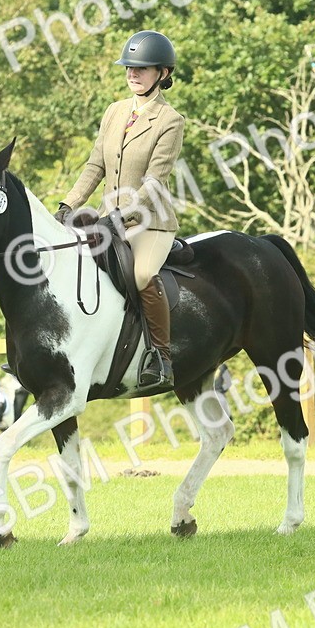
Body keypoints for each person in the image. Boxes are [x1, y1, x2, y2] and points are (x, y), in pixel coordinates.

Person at [57, 30, 186, 390]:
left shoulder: (169, 120)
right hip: (105, 219)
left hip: (149, 222)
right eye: (130, 67)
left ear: (162, 73)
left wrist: (121, 215)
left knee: (143, 275)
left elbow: (155, 182)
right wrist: (69, 203)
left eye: (142, 68)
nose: (133, 73)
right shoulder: (114, 112)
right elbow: (94, 166)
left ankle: (160, 356)